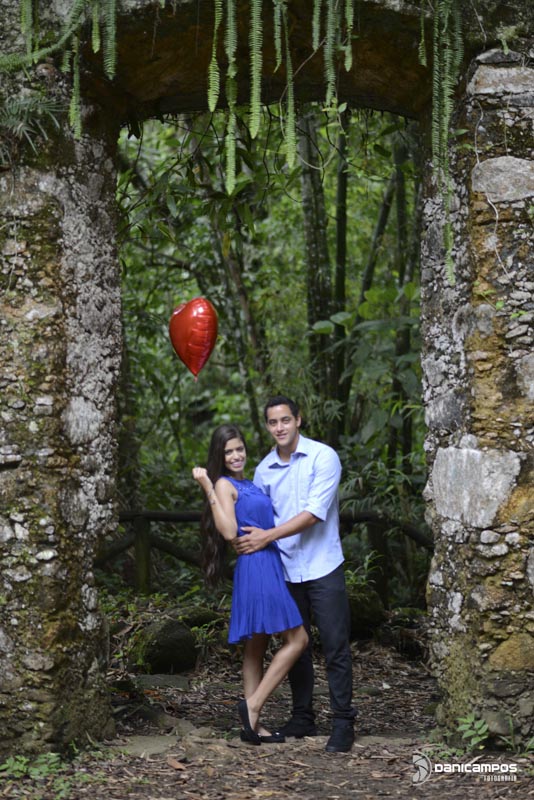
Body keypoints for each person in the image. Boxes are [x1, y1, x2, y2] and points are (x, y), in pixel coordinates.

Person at [233, 396, 355, 753]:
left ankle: (343, 722)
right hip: (284, 568)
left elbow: (314, 513)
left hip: (323, 563)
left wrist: (267, 536)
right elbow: (255, 517)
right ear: (267, 426)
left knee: (335, 645)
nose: (280, 427)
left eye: (285, 420)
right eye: (273, 422)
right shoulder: (263, 470)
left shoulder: (323, 457)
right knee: (296, 646)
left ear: (298, 419)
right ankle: (303, 717)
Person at [192, 423, 308, 745]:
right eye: (228, 452)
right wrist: (208, 486)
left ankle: (251, 726)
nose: (235, 455)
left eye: (239, 449)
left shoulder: (250, 483)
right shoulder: (223, 484)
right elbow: (230, 532)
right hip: (256, 566)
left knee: (256, 646)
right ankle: (253, 706)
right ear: (220, 456)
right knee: (298, 639)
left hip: (268, 562)